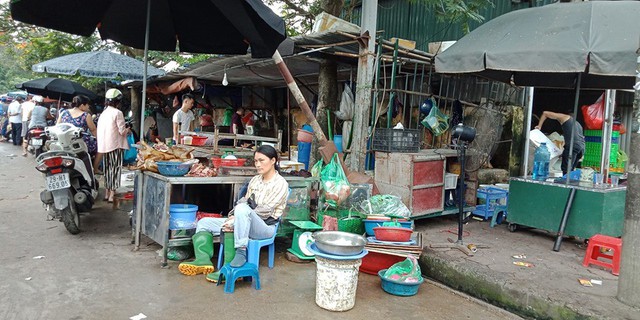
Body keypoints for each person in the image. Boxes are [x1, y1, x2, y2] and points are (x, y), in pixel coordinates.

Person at [178, 145, 289, 278]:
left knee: (242, 210)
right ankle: (203, 261)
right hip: (244, 220)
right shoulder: (255, 180)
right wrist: (232, 217)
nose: (258, 165)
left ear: (273, 161)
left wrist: (237, 219)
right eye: (255, 161)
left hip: (264, 227)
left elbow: (264, 212)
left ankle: (238, 256)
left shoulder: (280, 183)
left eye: (261, 160)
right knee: (204, 222)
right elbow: (243, 202)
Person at [97, 89, 130, 203]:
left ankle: (107, 193)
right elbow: (122, 131)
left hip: (104, 146)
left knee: (107, 169)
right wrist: (128, 129)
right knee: (115, 169)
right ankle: (112, 194)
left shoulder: (103, 113)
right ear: (118, 101)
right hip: (115, 146)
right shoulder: (118, 113)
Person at [535, 110, 586, 175]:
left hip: (573, 146)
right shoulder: (578, 125)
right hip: (582, 147)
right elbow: (570, 139)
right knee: (571, 170)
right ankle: (570, 182)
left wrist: (539, 126)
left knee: (566, 170)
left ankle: (564, 183)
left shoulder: (565, 117)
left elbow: (545, 113)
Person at [57, 95, 99, 167]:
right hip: (80, 143)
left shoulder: (63, 113)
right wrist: (99, 140)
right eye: (87, 105)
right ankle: (94, 168)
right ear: (82, 105)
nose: (88, 107)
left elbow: (57, 127)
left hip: (64, 142)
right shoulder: (86, 115)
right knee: (98, 146)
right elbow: (93, 130)